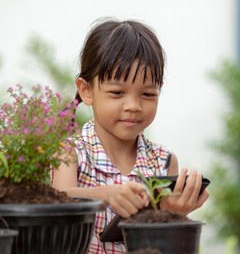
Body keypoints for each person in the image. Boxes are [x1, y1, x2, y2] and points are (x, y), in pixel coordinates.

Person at [51, 18, 209, 254]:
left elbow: (162, 243)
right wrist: (104, 195)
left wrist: (173, 213)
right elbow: (57, 203)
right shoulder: (71, 152)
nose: (134, 105)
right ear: (86, 90)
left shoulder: (163, 160)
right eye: (117, 92)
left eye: (147, 94)